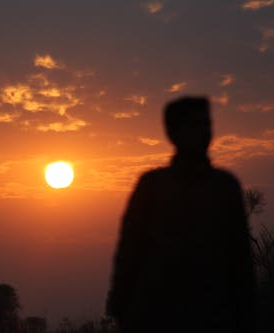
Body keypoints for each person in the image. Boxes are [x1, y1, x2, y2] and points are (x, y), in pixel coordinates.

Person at [106, 97, 256, 332]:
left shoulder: (224, 187)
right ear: (173, 132)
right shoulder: (151, 187)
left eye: (207, 124)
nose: (204, 132)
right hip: (156, 316)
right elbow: (129, 252)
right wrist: (120, 308)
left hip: (214, 317)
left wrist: (246, 313)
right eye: (194, 125)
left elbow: (240, 259)